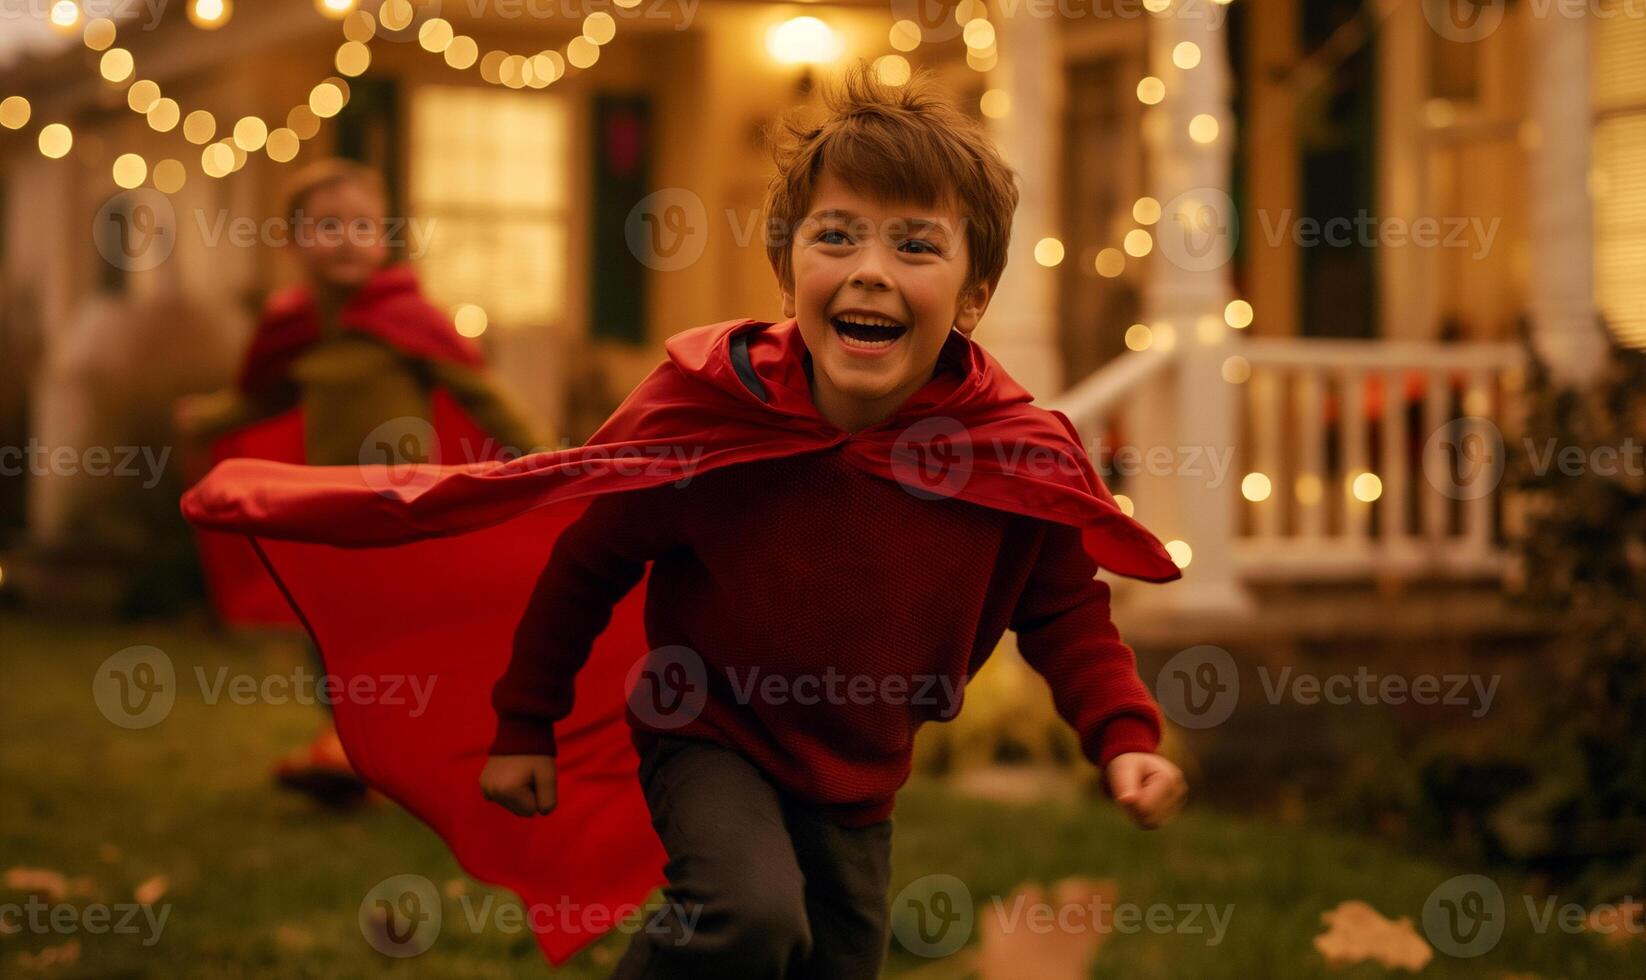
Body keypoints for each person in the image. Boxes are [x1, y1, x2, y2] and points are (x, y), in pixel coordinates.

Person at [181, 64, 1186, 971]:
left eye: (914, 244)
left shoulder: (1006, 455)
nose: (871, 267)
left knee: (832, 963)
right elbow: (587, 559)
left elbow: (1064, 610)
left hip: (859, 768)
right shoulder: (717, 409)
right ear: (789, 268)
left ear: (970, 295)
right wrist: (524, 721)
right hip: (705, 724)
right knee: (747, 916)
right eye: (837, 235)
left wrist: (1122, 733)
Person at [176, 159, 545, 805]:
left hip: (405, 513)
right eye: (326, 225)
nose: (346, 238)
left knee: (406, 637)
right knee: (329, 633)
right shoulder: (300, 331)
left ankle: (427, 752)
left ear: (383, 239)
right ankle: (347, 745)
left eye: (361, 225)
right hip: (330, 516)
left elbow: (483, 396)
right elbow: (264, 398)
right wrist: (206, 416)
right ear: (293, 243)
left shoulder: (408, 321)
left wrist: (546, 459)